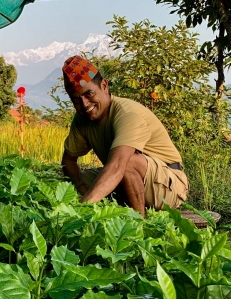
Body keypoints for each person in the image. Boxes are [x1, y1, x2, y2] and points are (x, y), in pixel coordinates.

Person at [61, 55, 188, 217]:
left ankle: (137, 225)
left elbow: (118, 166)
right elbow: (68, 160)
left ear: (104, 86)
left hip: (169, 186)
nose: (84, 104)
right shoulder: (82, 119)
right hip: (126, 178)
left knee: (126, 161)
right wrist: (81, 187)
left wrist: (82, 208)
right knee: (66, 186)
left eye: (89, 94)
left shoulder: (127, 113)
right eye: (76, 100)